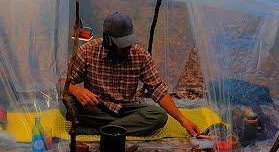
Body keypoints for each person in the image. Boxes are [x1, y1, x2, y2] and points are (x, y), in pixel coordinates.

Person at [66, 11, 200, 138]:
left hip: (127, 110)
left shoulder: (140, 55)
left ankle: (101, 130)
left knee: (158, 116)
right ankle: (119, 128)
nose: (127, 48)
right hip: (96, 108)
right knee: (67, 104)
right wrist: (75, 89)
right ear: (109, 41)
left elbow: (158, 90)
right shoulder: (88, 51)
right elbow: (62, 82)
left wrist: (183, 120)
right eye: (122, 44)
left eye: (129, 42)